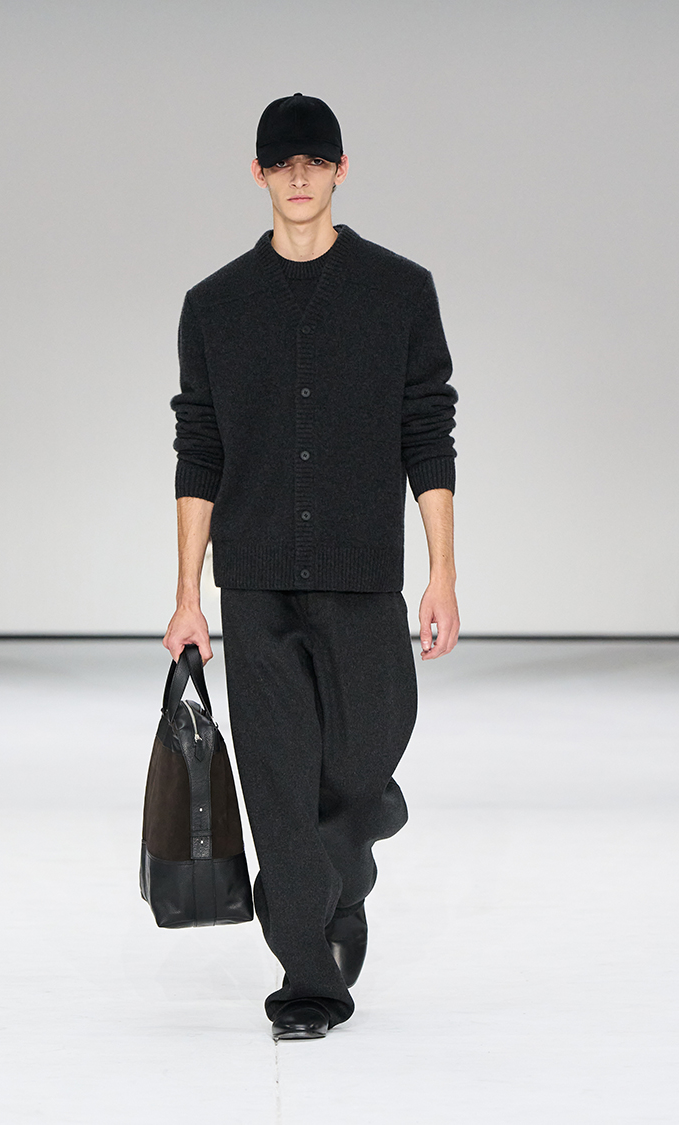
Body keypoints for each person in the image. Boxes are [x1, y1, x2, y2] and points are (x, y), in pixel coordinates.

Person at [163, 92, 459, 1040]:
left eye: (315, 161)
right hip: (253, 583)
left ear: (340, 169)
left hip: (363, 576)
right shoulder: (214, 306)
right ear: (258, 174)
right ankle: (308, 982)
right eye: (282, 163)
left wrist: (442, 573)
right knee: (279, 785)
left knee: (365, 762)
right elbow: (199, 450)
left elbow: (428, 430)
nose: (299, 177)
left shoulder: (399, 291)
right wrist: (186, 596)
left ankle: (343, 868)